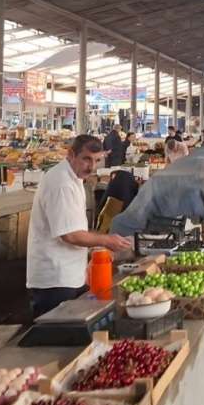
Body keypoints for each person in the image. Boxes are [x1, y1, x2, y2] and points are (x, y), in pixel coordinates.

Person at [26, 135, 131, 318]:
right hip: (55, 280)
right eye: (86, 159)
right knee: (55, 338)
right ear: (71, 154)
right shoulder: (62, 184)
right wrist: (106, 240)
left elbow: (73, 228)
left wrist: (96, 247)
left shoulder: (73, 177)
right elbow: (70, 235)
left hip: (68, 274)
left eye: (97, 160)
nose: (91, 167)